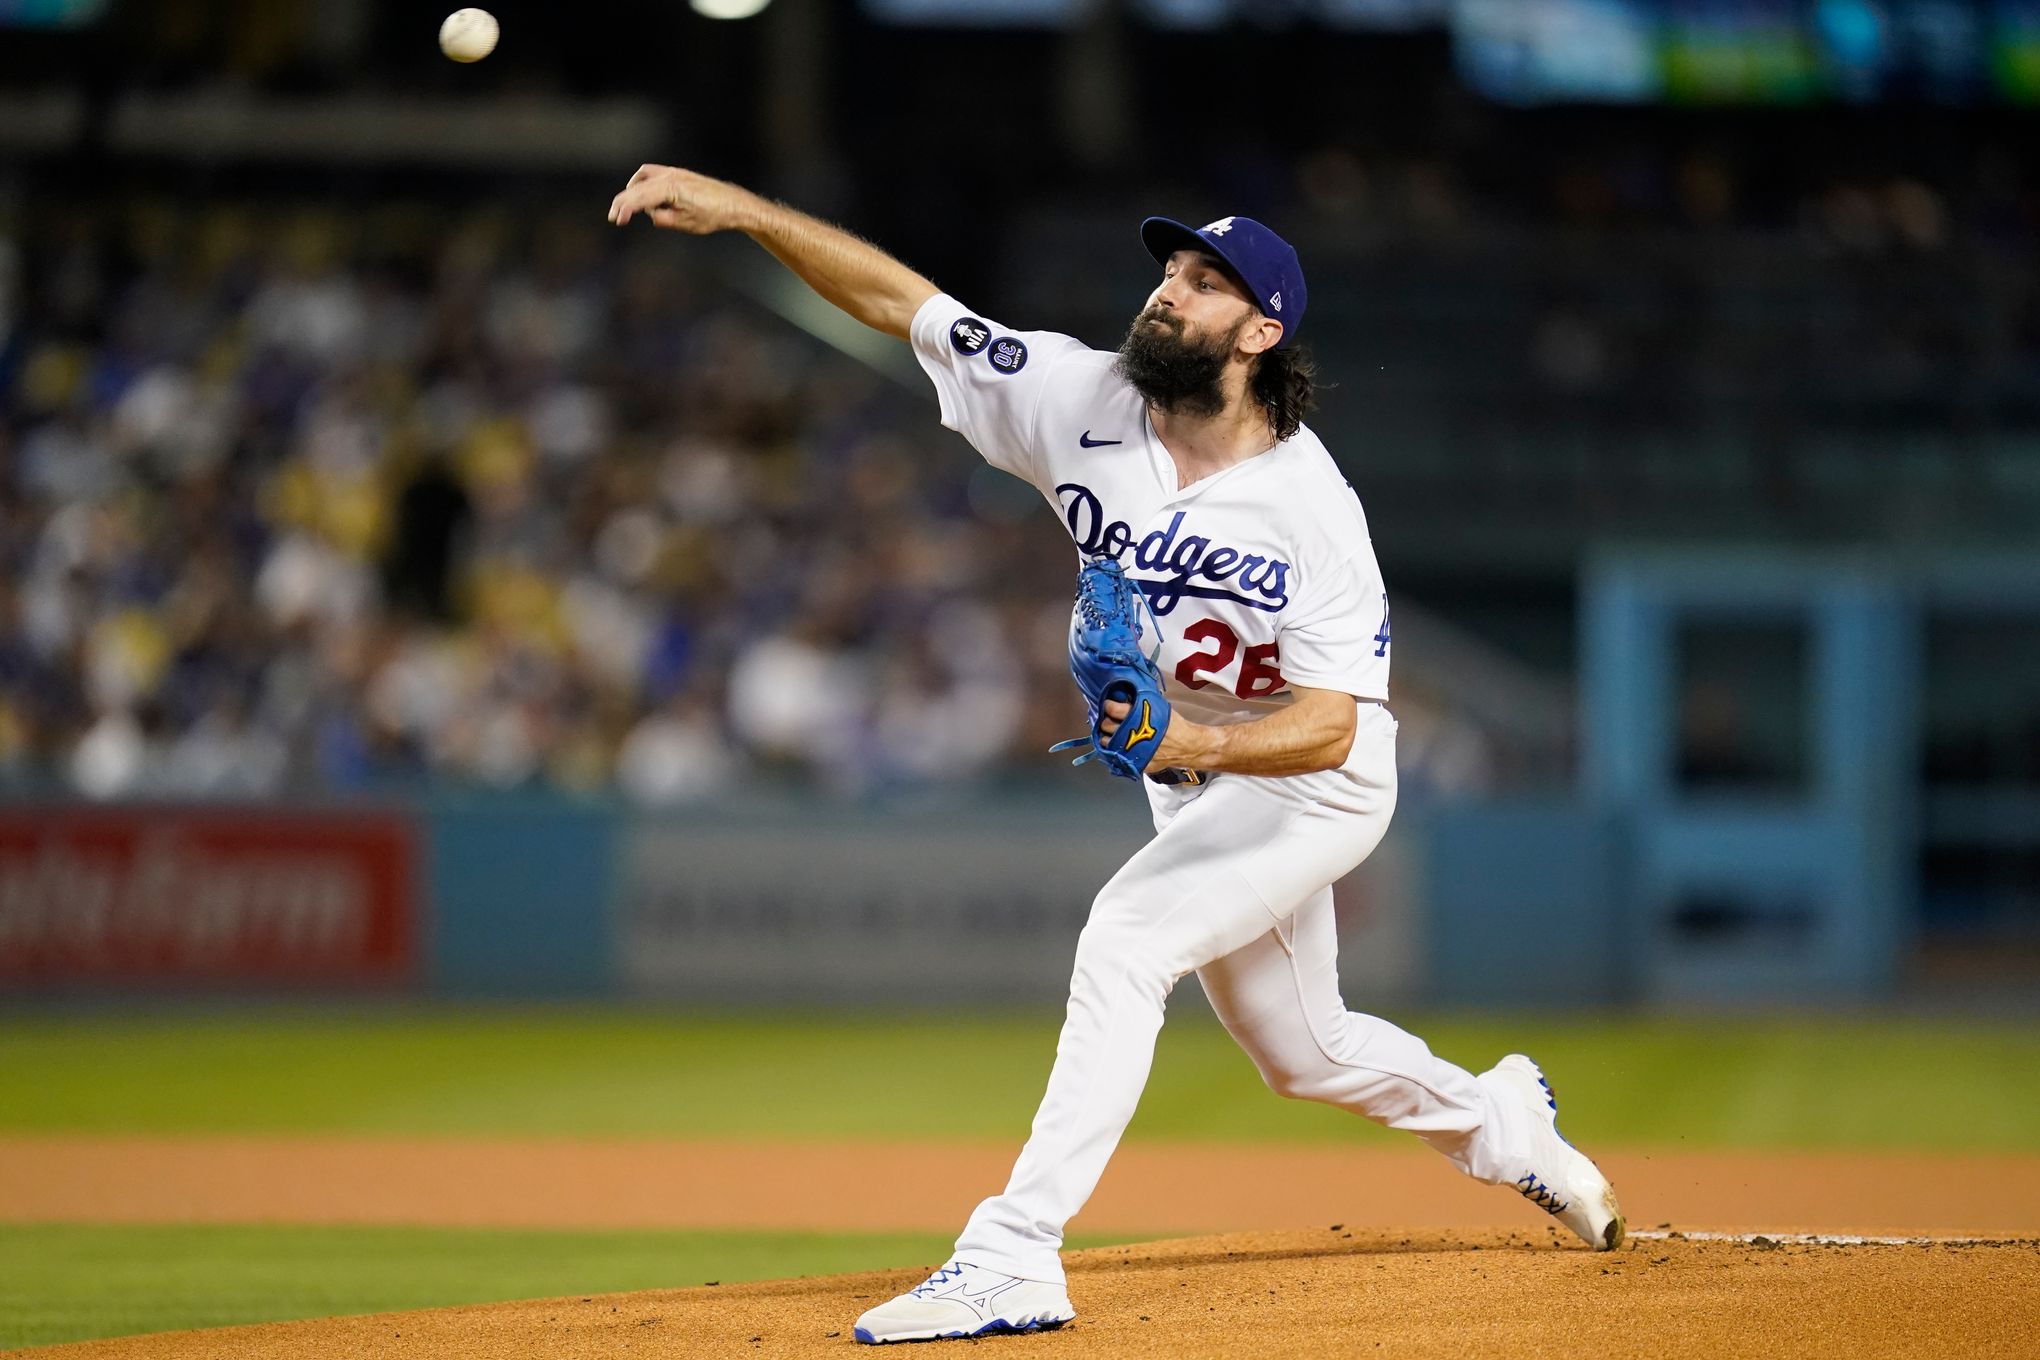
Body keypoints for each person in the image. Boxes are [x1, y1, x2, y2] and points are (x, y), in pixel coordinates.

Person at [608, 166, 1625, 1346]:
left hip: (1314, 783)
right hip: (1195, 780)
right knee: (1306, 1051)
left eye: (1202, 283)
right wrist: (745, 211)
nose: (1167, 292)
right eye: (1167, 271)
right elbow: (909, 307)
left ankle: (1013, 1253)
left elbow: (1336, 721)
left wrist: (1186, 737)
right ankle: (1505, 1121)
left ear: (1261, 330)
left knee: (1127, 940)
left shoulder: (1314, 509)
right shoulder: (1075, 395)